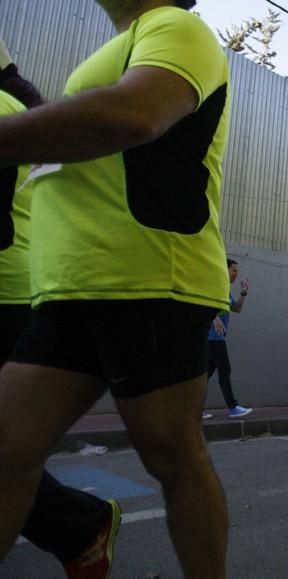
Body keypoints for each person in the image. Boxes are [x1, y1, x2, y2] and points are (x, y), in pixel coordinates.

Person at [0, 2, 232, 577]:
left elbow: (136, 114)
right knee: (7, 451)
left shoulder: (176, 27)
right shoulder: (115, 49)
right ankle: (82, 534)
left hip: (150, 279)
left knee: (173, 458)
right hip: (68, 288)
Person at [0, 51, 121, 579]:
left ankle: (78, 524)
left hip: (7, 294)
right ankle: (77, 525)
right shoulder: (24, 113)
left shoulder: (7, 110)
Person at [206, 258, 252, 419]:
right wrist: (213, 317)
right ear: (224, 270)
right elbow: (202, 305)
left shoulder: (224, 290)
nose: (236, 274)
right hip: (213, 338)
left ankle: (192, 409)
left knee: (204, 375)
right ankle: (233, 407)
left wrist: (243, 293)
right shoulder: (214, 286)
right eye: (234, 270)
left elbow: (236, 308)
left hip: (215, 338)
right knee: (225, 370)